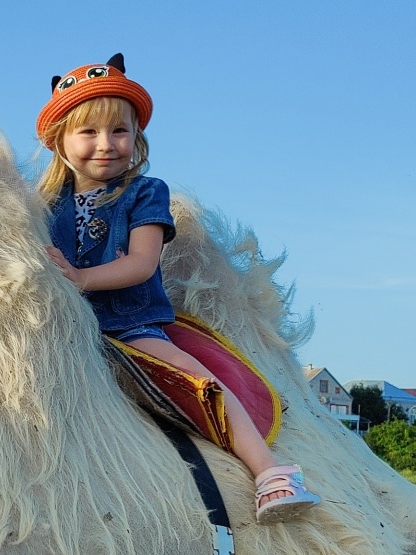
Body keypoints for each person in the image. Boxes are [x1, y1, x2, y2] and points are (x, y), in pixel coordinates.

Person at [36, 54, 321, 522]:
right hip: (62, 323)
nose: (106, 144)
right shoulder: (44, 204)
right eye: (88, 132)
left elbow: (141, 264)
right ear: (59, 141)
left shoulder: (145, 193)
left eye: (119, 131)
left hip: (127, 323)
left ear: (137, 137)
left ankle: (270, 471)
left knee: (197, 378)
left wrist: (78, 278)